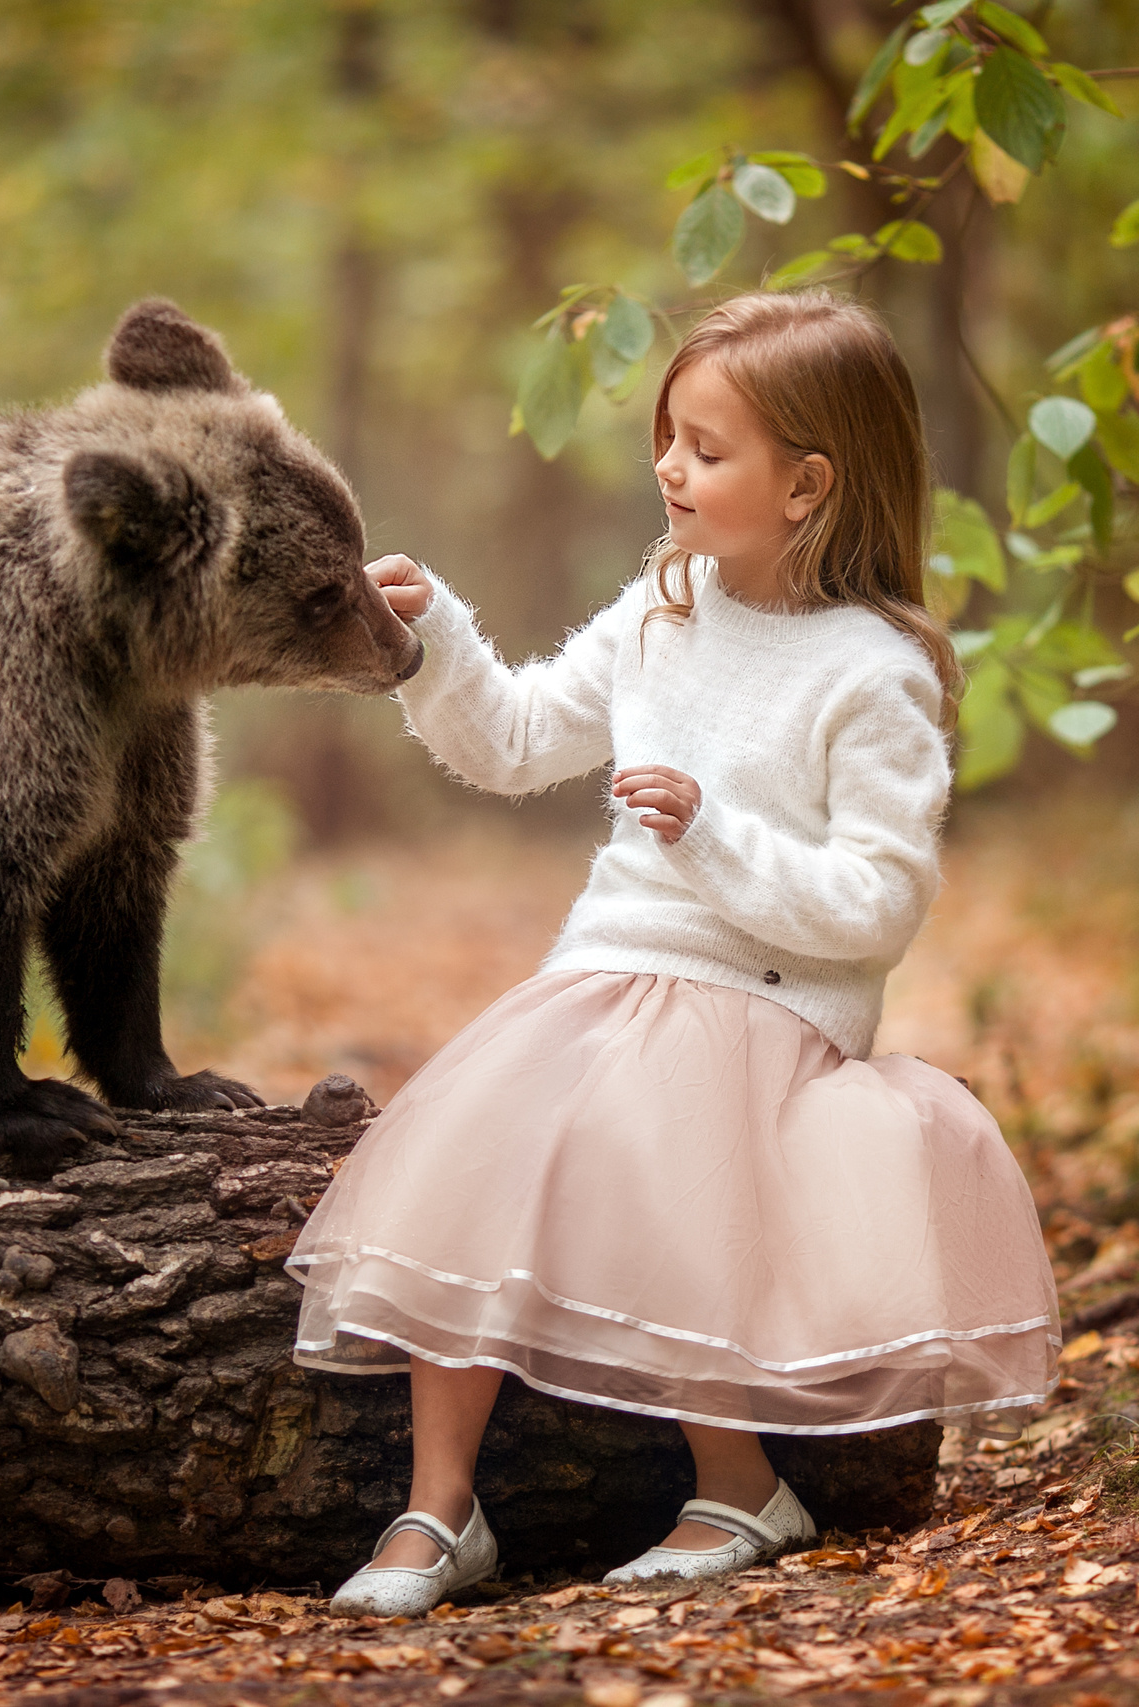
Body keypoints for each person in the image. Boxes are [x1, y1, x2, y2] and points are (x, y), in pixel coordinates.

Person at [287, 290, 1061, 1615]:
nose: (670, 470)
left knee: (655, 1137)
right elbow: (520, 739)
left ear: (809, 483)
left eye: (707, 451)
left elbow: (876, 904)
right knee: (475, 1141)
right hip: (606, 975)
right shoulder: (665, 611)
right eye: (671, 440)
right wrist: (427, 648)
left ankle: (741, 1484)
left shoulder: (874, 673)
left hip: (762, 1002)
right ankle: (437, 1508)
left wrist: (715, 841)